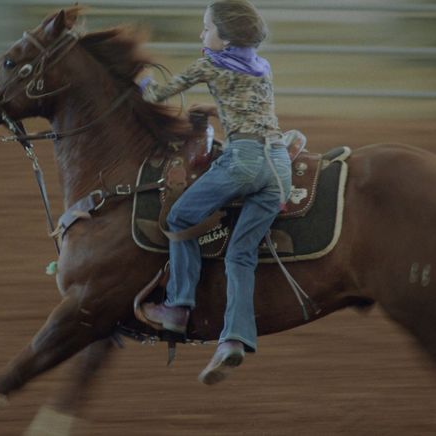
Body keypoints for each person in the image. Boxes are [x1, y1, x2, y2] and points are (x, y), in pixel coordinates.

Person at [140, 0, 292, 385]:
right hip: (278, 167)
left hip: (243, 160)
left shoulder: (210, 63)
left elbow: (158, 95)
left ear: (224, 40)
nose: (201, 34)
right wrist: (215, 105)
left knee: (179, 217)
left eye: (206, 28)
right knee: (242, 255)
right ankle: (233, 340)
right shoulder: (261, 64)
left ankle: (177, 306)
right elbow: (250, 105)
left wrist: (141, 81)